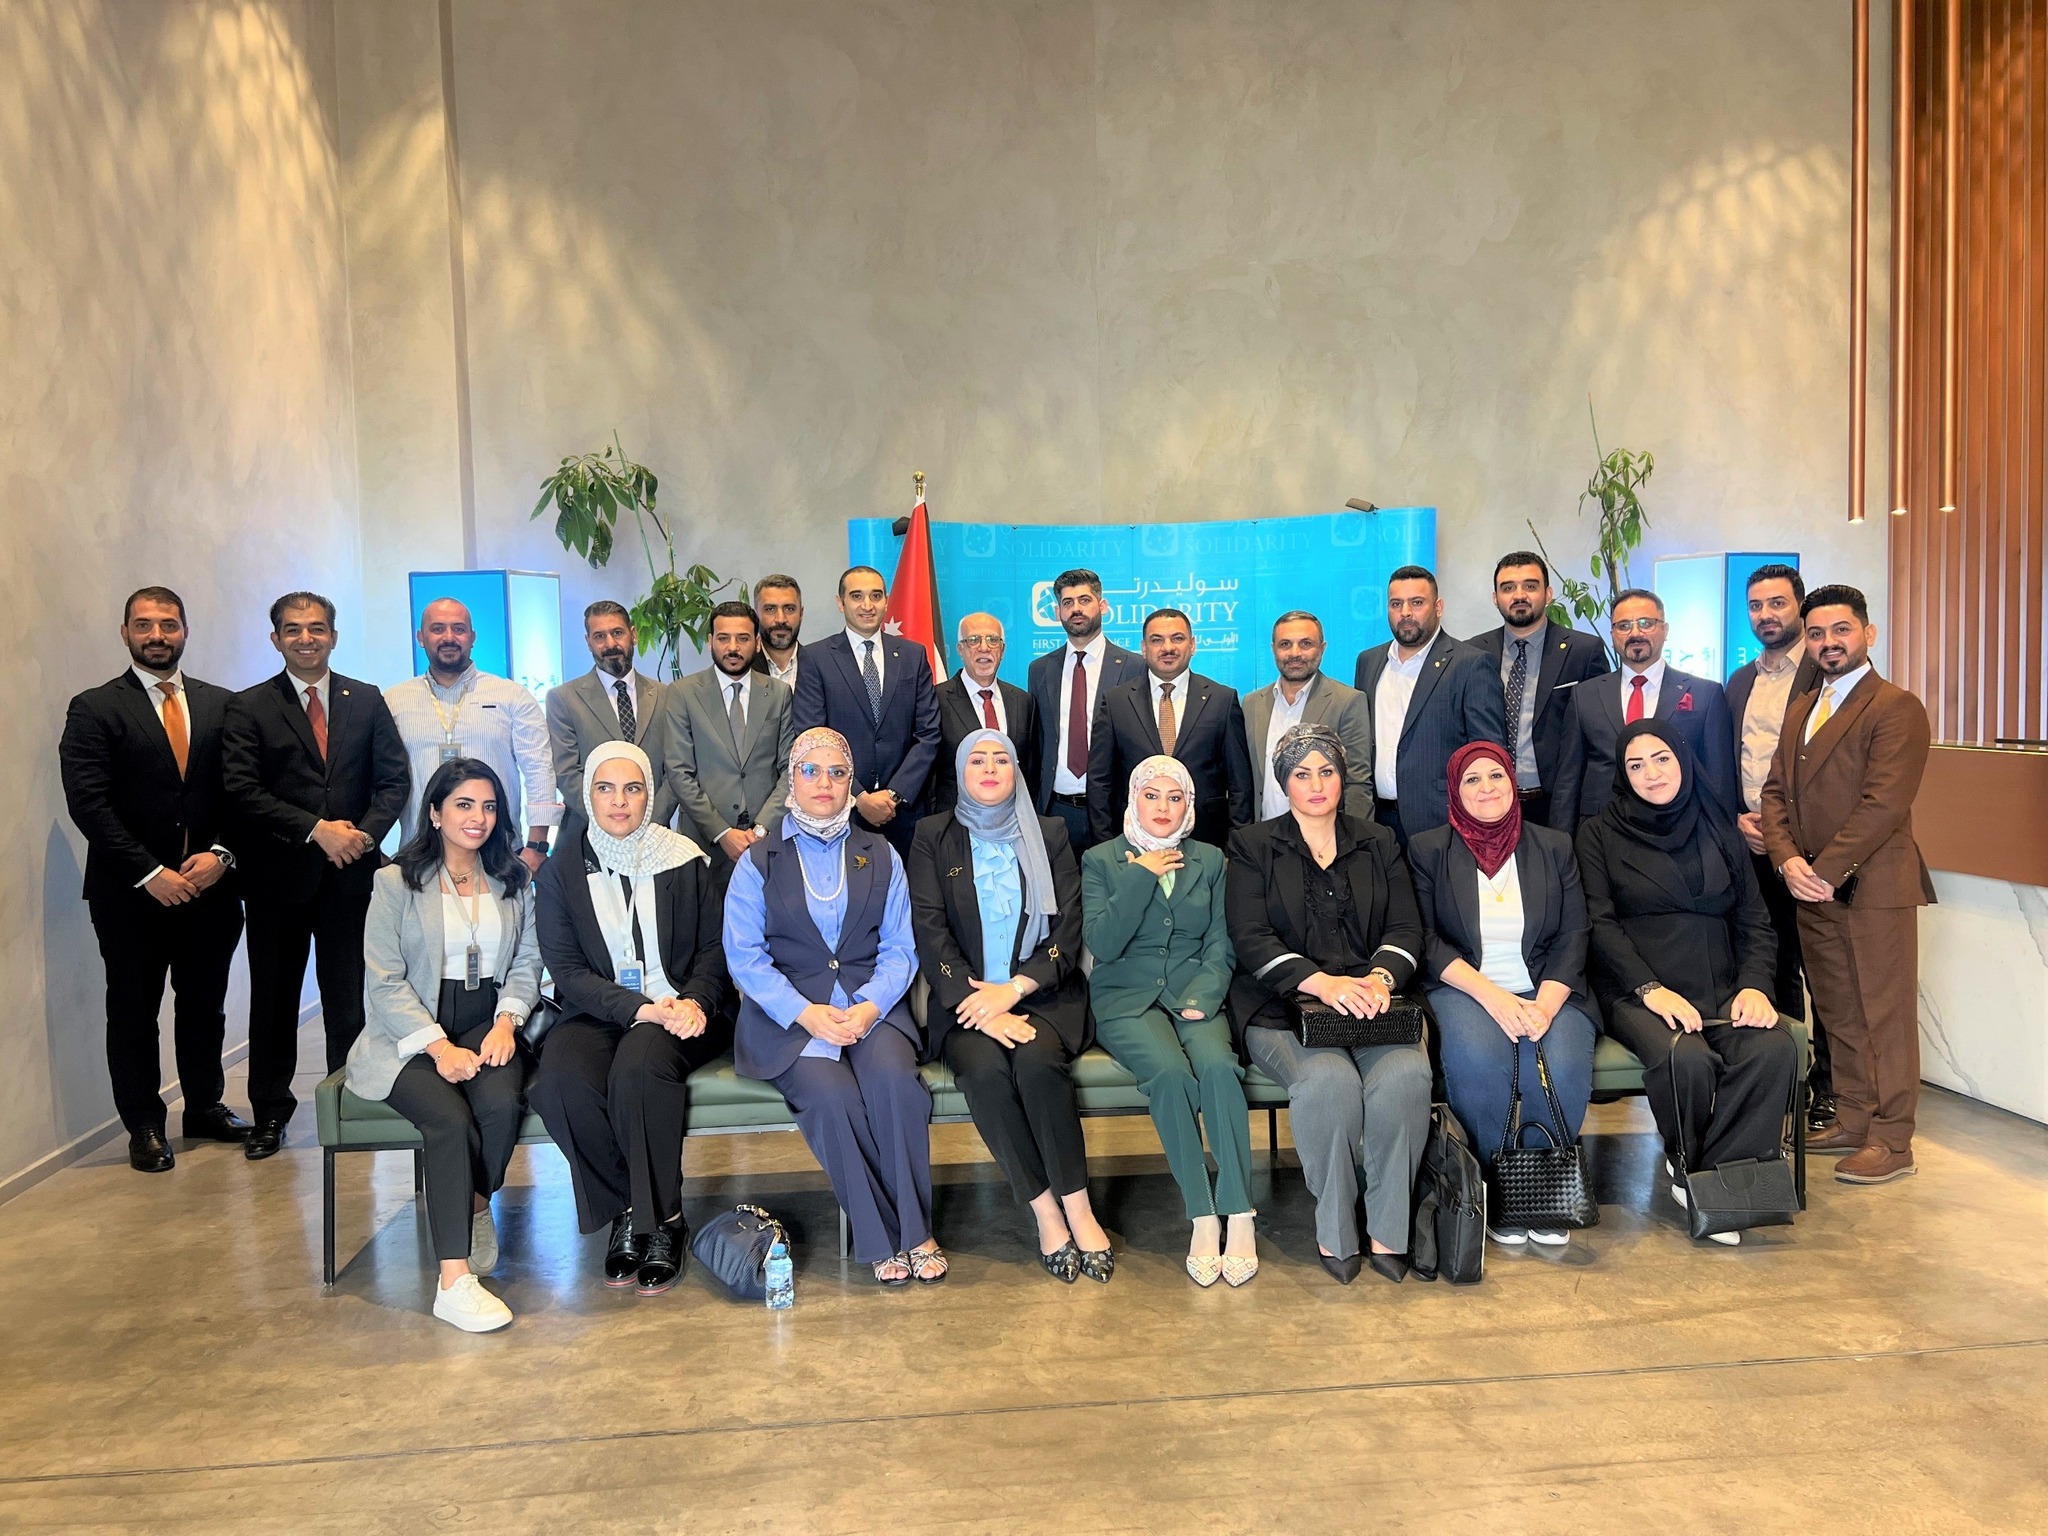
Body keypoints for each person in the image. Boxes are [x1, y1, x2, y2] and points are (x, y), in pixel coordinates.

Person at [724, 727, 945, 1284]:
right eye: (810, 770)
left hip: (872, 1007)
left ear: (851, 783)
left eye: (837, 772)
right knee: (833, 1098)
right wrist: (805, 1012)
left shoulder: (881, 853)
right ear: (791, 781)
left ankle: (916, 1230)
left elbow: (900, 948)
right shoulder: (758, 860)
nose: (824, 782)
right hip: (790, 1019)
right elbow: (744, 958)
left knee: (896, 1085)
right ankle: (880, 1236)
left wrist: (869, 1007)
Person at [1578, 721, 1801, 1242]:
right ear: (1622, 774)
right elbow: (1599, 925)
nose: (1651, 774)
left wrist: (1755, 984)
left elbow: (1754, 919)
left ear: (1683, 760)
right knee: (1688, 1058)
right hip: (1637, 988)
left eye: (1662, 759)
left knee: (1773, 1049)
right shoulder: (1597, 833)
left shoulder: (1719, 826)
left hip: (1722, 982)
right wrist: (1650, 989)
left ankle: (1712, 1175)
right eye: (1636, 765)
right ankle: (1694, 1167)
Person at [1226, 726, 1432, 1284]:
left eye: (1327, 771)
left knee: (1406, 1076)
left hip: (1374, 1003)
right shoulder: (1252, 845)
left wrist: (1381, 978)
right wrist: (1323, 984)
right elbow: (1250, 937)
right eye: (1302, 774)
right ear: (1283, 783)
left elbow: (1406, 927)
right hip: (1284, 1007)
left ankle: (1389, 1229)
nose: (1316, 784)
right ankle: (1336, 1229)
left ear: (1343, 777)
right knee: (1329, 1084)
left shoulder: (1379, 840)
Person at [345, 758, 541, 1332]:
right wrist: (437, 1048)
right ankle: (454, 1282)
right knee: (451, 1121)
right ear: (434, 813)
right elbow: (384, 981)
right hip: (407, 1034)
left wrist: (507, 1022)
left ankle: (474, 1204)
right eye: (463, 804)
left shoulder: (513, 880)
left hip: (487, 1020)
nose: (478, 817)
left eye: (488, 806)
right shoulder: (394, 882)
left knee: (501, 1104)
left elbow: (528, 961)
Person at [908, 730, 1111, 1282]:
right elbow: (930, 930)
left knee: (1038, 1064)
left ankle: (1079, 1208)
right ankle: (1046, 1212)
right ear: (960, 771)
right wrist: (981, 1003)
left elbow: (1067, 929)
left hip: (1042, 995)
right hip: (966, 1003)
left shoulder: (1050, 833)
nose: (990, 768)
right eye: (977, 759)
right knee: (986, 1075)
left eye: (1001, 758)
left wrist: (1013, 990)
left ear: (1017, 770)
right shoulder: (933, 836)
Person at [531, 741, 733, 1294]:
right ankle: (626, 1207)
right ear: (587, 795)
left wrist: (694, 1001)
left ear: (649, 795)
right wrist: (637, 1008)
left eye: (632, 788)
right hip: (598, 1010)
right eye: (605, 788)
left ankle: (663, 1219)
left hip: (682, 1010)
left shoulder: (685, 858)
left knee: (639, 1070)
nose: (619, 801)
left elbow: (716, 947)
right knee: (560, 1082)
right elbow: (566, 969)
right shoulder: (560, 872)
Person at [60, 587, 249, 1172]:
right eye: (144, 625)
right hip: (130, 896)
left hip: (211, 889)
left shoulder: (223, 705)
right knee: (133, 1012)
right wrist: (149, 872)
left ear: (185, 631)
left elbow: (244, 794)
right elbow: (88, 802)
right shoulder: (94, 708)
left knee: (204, 1007)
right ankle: (143, 1124)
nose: (157, 635)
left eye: (168, 624)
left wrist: (222, 855)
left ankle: (205, 1107)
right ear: (125, 633)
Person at [223, 591, 410, 1160]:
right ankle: (270, 1114)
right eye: (293, 629)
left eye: (316, 628)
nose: (306, 639)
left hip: (351, 878)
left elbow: (393, 782)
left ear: (333, 636)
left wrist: (363, 837)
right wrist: (316, 830)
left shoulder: (366, 699)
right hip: (277, 880)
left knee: (349, 999)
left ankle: (350, 1103)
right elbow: (241, 789)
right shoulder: (249, 706)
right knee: (274, 1002)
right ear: (276, 639)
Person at [1761, 585, 1934, 1186]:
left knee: (1884, 1015)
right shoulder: (1803, 706)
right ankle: (1855, 1118)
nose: (1828, 642)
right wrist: (1786, 860)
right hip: (1810, 889)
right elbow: (1775, 793)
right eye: (1817, 633)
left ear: (1868, 634)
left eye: (1841, 630)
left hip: (1871, 890)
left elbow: (1883, 805)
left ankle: (1893, 1138)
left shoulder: (1896, 707)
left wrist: (1822, 871)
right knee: (1838, 1012)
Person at [1408, 742, 1597, 1248]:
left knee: (1559, 1063)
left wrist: (1544, 1006)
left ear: (1513, 782)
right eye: (1472, 779)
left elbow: (1574, 933)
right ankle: (1495, 1186)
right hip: (1466, 988)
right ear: (1455, 790)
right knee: (1478, 1059)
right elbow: (1426, 939)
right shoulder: (1428, 849)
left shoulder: (1554, 846)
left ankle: (1542, 1191)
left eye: (1496, 775)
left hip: (1548, 986)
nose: (1486, 787)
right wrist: (1494, 998)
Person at [1083, 758, 1249, 1286]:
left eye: (1174, 797)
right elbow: (1103, 943)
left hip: (1194, 992)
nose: (1162, 807)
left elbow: (1222, 941)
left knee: (1219, 1068)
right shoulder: (1101, 860)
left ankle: (1239, 1211)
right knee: (1172, 1075)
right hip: (1126, 999)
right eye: (1151, 795)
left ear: (1189, 805)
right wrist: (1140, 874)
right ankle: (1202, 1214)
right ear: (1133, 799)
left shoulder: (1211, 859)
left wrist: (1205, 994)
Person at [1725, 563, 1832, 1128]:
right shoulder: (1740, 681)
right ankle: (1788, 1080)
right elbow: (1730, 761)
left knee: (1823, 970)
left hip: (1810, 848)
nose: (1766, 615)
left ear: (1799, 606)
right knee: (1775, 964)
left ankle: (1830, 1088)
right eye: (1756, 606)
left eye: (1777, 603)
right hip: (1750, 845)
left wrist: (1780, 829)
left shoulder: (1824, 674)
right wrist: (1738, 819)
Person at [387, 597, 561, 866]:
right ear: (420, 637)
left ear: (472, 637)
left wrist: (536, 848)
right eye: (437, 629)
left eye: (458, 629)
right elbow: (378, 780)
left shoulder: (512, 696)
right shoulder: (393, 701)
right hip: (419, 855)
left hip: (498, 854)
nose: (448, 637)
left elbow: (539, 770)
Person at [790, 566, 942, 858]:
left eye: (876, 596)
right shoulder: (816, 657)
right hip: (842, 811)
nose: (867, 605)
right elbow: (812, 737)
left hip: (905, 813)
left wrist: (894, 794)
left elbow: (929, 733)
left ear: (886, 601)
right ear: (840, 602)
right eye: (857, 596)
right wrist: (858, 796)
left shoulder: (913, 655)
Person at [1552, 589, 1739, 823]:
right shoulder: (1585, 695)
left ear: (1665, 630)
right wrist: (1561, 840)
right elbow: (1568, 779)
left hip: (1679, 828)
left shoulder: (1705, 694)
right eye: (1624, 626)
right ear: (1612, 635)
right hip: (1601, 828)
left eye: (1645, 623)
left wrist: (1723, 835)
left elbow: (1719, 780)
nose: (1635, 633)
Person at [1352, 565, 1506, 846]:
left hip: (1442, 824)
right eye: (1396, 604)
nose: (1405, 612)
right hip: (1376, 822)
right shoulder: (1368, 662)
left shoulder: (1470, 664)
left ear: (1438, 607)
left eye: (1416, 602)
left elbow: (1487, 753)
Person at [1088, 607, 1254, 847]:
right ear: (1144, 648)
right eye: (1157, 640)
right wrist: (1107, 846)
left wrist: (1237, 850)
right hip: (1133, 845)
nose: (1168, 648)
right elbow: (1099, 782)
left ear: (1192, 645)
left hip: (1205, 842)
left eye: (1177, 638)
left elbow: (1240, 786)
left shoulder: (1222, 700)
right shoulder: (1116, 702)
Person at [1467, 552, 1609, 831]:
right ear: (1495, 598)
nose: (1519, 595)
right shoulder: (1472, 652)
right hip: (1489, 803)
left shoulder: (1583, 651)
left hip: (1558, 805)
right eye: (1508, 588)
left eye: (1530, 586)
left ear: (1548, 594)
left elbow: (1598, 734)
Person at [660, 600, 795, 868]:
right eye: (723, 638)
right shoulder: (682, 693)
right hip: (703, 843)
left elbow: (790, 768)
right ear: (710, 642)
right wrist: (722, 833)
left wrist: (761, 829)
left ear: (757, 643)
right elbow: (678, 772)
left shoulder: (779, 694)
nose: (733, 647)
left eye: (742, 638)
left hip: (766, 841)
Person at [1027, 568, 1143, 852]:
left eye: (1084, 600)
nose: (1076, 609)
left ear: (1102, 606)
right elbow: (1036, 742)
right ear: (1058, 612)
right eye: (1067, 602)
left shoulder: (1134, 667)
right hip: (1055, 810)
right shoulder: (1040, 669)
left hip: (1114, 812)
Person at [547, 600, 674, 853]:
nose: (610, 644)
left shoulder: (666, 695)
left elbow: (675, 770)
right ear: (588, 642)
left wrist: (648, 821)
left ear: (633, 635)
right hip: (587, 838)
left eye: (617, 633)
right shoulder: (564, 699)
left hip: (655, 837)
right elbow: (567, 773)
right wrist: (611, 822)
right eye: (599, 636)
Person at [1242, 610, 1374, 822]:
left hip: (1324, 835)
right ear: (1273, 649)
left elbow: (1357, 783)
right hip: (1262, 834)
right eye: (1285, 644)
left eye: (1305, 644)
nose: (1295, 653)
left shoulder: (1348, 702)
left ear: (1322, 648)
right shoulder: (1251, 704)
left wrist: (1356, 837)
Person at [928, 613, 1041, 815]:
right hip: (954, 820)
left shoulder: (1023, 701)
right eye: (973, 640)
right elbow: (928, 772)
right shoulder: (935, 699)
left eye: (992, 640)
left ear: (1002, 650)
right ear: (960, 649)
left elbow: (1030, 770)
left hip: (1013, 819)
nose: (984, 647)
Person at [750, 573, 804, 689]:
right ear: (756, 615)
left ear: (801, 614)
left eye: (789, 609)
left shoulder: (820, 666)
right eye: (770, 609)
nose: (781, 619)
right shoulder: (743, 669)